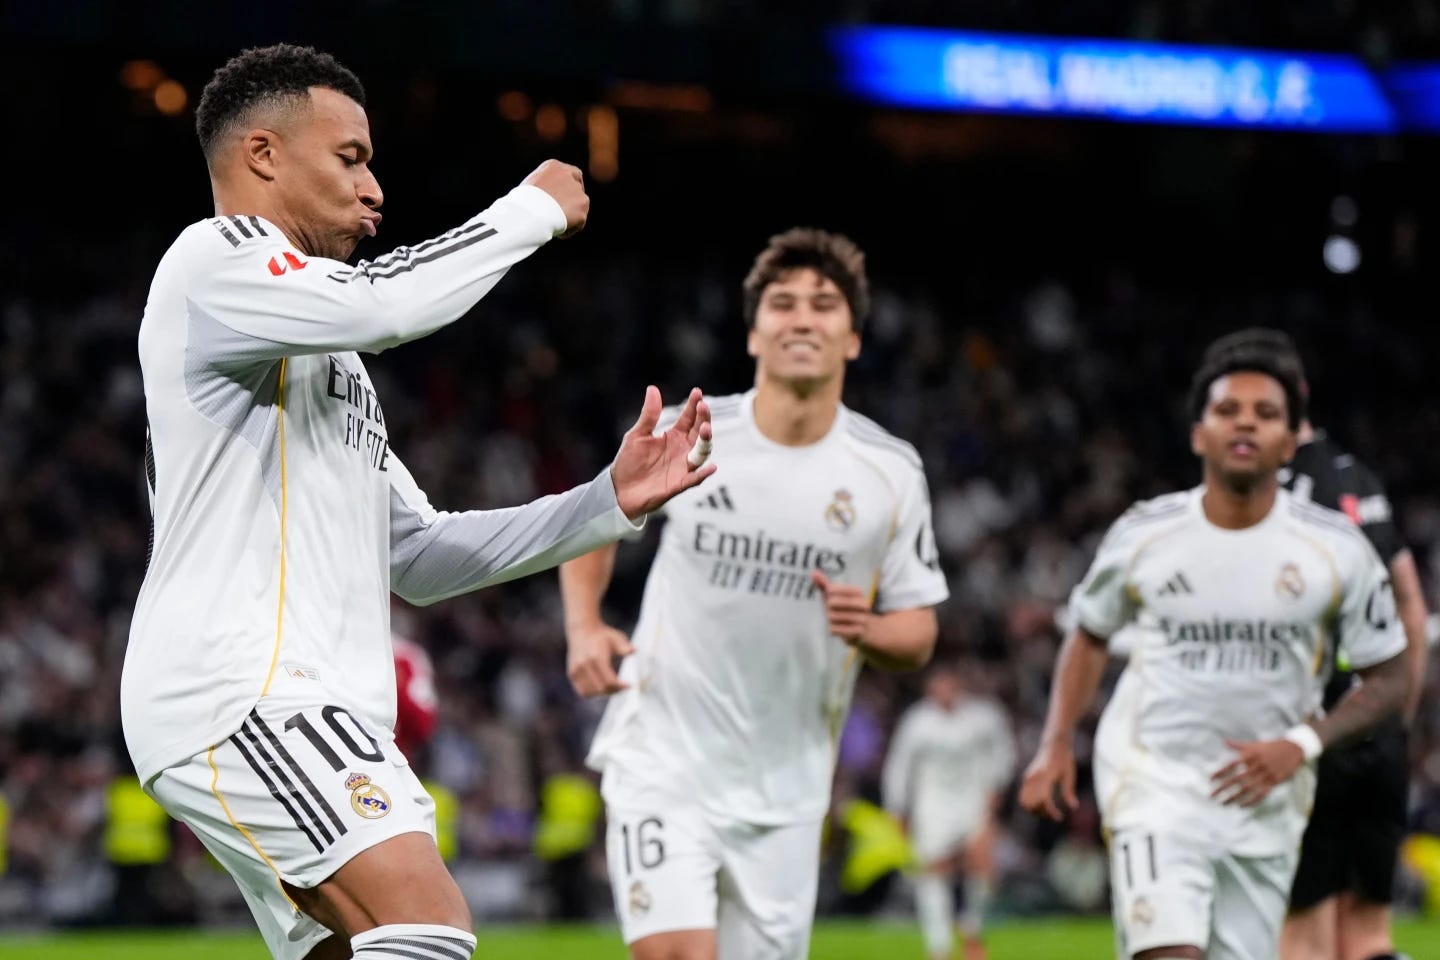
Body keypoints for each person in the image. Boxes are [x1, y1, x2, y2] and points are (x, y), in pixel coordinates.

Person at [122, 43, 716, 960]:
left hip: (303, 701)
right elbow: (384, 304)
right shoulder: (214, 259)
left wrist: (608, 501)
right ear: (263, 154)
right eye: (350, 158)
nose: (375, 190)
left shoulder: (324, 359)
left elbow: (423, 555)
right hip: (243, 690)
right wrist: (527, 211)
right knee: (428, 923)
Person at [558, 227, 950, 960]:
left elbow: (920, 631)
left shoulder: (890, 472)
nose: (802, 318)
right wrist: (584, 625)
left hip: (788, 795)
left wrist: (869, 628)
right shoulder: (694, 433)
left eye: (824, 304)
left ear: (853, 338)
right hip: (663, 758)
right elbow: (593, 519)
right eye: (782, 303)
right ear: (753, 332)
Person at [1019, 338, 1408, 960]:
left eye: (1265, 413)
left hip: (1266, 805)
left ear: (1290, 442)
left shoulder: (1337, 551)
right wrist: (1056, 742)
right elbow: (1089, 632)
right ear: (1199, 435)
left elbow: (1390, 677)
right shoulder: (1144, 536)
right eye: (1228, 410)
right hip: (1155, 784)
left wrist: (1302, 744)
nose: (1245, 423)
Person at [1192, 330, 1428, 960]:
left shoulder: (1258, 493)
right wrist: (1397, 715)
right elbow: (1410, 603)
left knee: (1304, 937)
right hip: (1376, 728)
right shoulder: (1358, 479)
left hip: (1306, 736)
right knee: (1371, 935)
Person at [882, 660, 1015, 960]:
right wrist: (897, 808)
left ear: (958, 685)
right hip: (932, 804)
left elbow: (1003, 754)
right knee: (932, 871)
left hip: (974, 800)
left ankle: (972, 930)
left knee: (980, 866)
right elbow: (899, 766)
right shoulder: (916, 722)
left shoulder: (984, 717)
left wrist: (996, 791)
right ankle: (938, 946)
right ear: (929, 688)